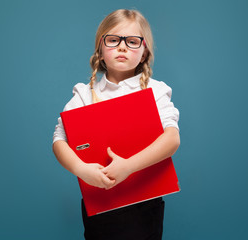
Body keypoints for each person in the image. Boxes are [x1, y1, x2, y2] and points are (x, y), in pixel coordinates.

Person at [52, 9, 180, 240]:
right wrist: (80, 169)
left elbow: (171, 139)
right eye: (113, 40)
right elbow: (60, 140)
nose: (122, 47)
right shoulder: (84, 94)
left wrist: (128, 166)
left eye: (132, 42)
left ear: (143, 54)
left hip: (144, 204)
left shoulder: (155, 90)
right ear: (100, 51)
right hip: (100, 203)